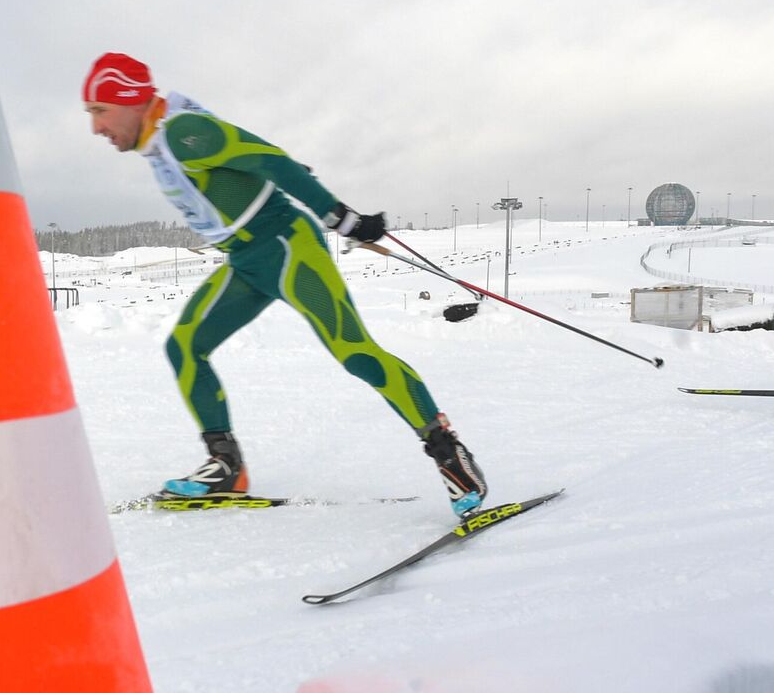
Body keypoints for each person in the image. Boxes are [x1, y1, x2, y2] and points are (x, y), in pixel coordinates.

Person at [82, 53, 488, 515]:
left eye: (100, 111)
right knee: (185, 345)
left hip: (287, 247)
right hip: (246, 260)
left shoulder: (183, 133)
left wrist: (340, 217)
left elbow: (273, 161)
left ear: (131, 101)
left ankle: (451, 458)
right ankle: (225, 466)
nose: (96, 128)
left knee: (355, 353)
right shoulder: (160, 142)